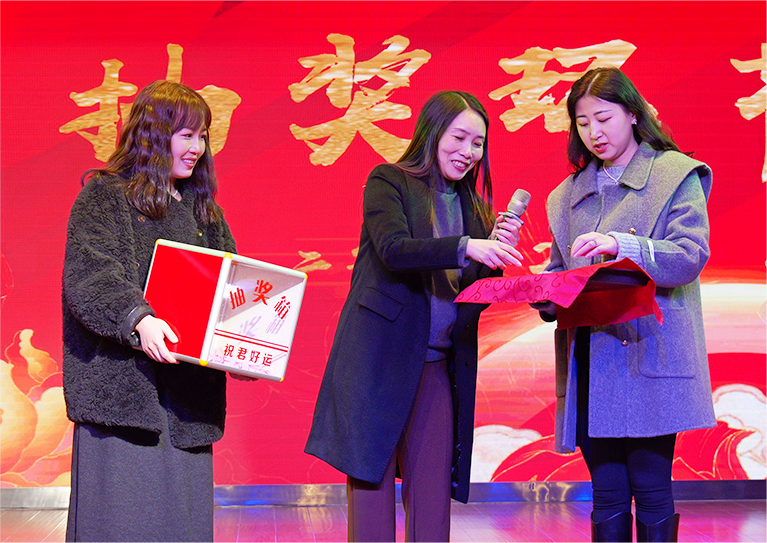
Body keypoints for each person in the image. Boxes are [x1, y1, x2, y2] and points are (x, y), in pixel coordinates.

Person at [305, 91, 523, 543]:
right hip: (377, 361)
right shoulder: (388, 181)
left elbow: (470, 296)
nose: (468, 152)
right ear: (432, 132)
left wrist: (494, 258)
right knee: (372, 492)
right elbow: (394, 249)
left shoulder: (474, 208)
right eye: (459, 137)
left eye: (478, 143)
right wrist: (467, 247)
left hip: (436, 366)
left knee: (432, 498)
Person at [536, 67, 716, 543]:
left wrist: (623, 244)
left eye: (603, 118)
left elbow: (689, 255)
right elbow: (561, 272)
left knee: (652, 488)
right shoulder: (565, 196)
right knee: (607, 493)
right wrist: (543, 293)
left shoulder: (674, 174)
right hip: (593, 360)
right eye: (582, 123)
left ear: (633, 114)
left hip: (651, 349)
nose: (593, 132)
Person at [62, 80, 239, 543]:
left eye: (203, 137)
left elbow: (231, 288)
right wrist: (139, 319)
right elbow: (91, 276)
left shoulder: (206, 214)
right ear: (154, 135)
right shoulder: (105, 196)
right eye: (186, 135)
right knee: (122, 524)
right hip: (125, 398)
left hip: (186, 401)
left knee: (182, 527)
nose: (197, 148)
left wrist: (241, 345)